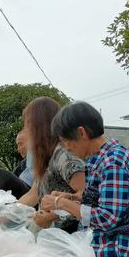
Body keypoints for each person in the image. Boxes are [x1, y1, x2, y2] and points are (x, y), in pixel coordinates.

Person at [42, 101, 129, 257]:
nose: (66, 148)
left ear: (82, 133)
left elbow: (107, 217)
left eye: (66, 141)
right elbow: (102, 198)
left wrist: (62, 204)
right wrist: (72, 197)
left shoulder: (113, 162)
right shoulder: (100, 158)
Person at [18, 97, 85, 232]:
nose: (25, 130)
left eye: (27, 124)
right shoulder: (46, 158)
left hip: (71, 238)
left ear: (39, 126)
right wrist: (6, 212)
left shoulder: (64, 156)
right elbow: (33, 194)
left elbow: (87, 196)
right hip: (52, 237)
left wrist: (53, 216)